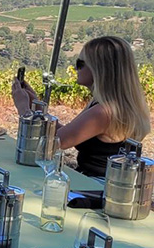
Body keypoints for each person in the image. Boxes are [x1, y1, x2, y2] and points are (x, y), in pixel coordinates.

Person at [12, 35, 151, 178]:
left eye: (80, 63)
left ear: (98, 68)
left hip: (93, 188)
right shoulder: (112, 105)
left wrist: (24, 110)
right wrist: (37, 108)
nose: (75, 68)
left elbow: (54, 143)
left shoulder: (103, 112)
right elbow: (66, 132)